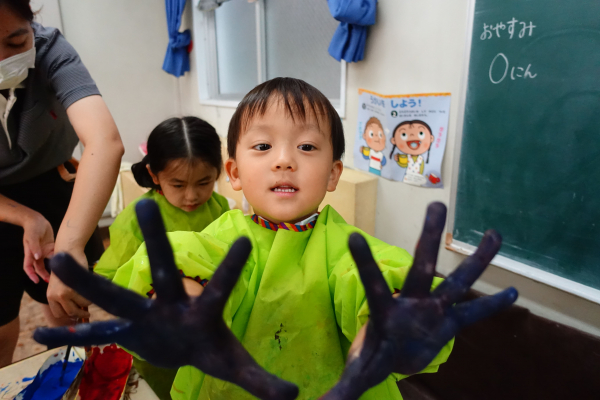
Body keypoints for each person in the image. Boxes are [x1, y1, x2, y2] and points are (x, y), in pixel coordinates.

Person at [110, 78, 451, 400]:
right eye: (263, 146)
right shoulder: (222, 237)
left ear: (333, 174)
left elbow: (370, 278)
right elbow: (193, 261)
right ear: (235, 173)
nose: (285, 160)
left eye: (306, 146)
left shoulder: (347, 247)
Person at [0, 0, 123, 367]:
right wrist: (25, 217)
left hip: (54, 188)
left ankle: (78, 376)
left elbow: (104, 141)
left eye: (16, 42)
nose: (3, 60)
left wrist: (69, 247)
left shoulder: (52, 50)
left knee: (67, 310)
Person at [93, 116, 230, 400]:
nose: (192, 196)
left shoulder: (219, 208)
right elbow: (109, 281)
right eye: (178, 185)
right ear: (155, 176)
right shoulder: (138, 219)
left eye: (204, 182)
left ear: (219, 172)